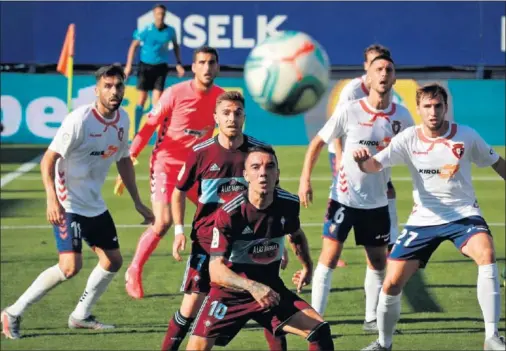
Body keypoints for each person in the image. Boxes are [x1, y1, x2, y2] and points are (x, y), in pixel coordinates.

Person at [0, 65, 154, 339]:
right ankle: (12, 312)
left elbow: (123, 160)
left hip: (93, 203)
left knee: (113, 261)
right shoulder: (79, 120)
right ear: (97, 90)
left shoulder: (123, 119)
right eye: (107, 86)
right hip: (67, 202)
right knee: (70, 266)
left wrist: (137, 202)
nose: (114, 91)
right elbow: (49, 159)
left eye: (118, 86)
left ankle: (81, 315)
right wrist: (53, 201)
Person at [355, 83, 506, 351]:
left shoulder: (467, 136)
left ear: (446, 108)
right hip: (423, 220)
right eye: (427, 106)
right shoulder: (408, 139)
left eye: (438, 106)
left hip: (464, 215)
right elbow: (374, 165)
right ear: (419, 109)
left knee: (487, 254)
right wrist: (361, 162)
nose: (433, 111)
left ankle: (492, 337)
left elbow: (497, 162)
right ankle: (383, 343)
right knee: (391, 283)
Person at [161, 91, 287, 351]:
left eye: (237, 113)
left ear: (244, 117)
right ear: (216, 117)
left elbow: (272, 198)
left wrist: (278, 245)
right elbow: (178, 191)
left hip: (247, 244)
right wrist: (179, 232)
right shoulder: (201, 152)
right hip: (207, 244)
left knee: (268, 306)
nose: (232, 118)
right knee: (190, 308)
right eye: (226, 113)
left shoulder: (257, 153)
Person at [298, 55, 414, 331]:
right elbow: (317, 142)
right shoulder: (350, 110)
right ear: (369, 77)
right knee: (329, 256)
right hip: (343, 198)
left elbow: (415, 153)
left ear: (394, 78)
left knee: (377, 261)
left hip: (377, 203)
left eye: (389, 69)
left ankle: (371, 318)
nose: (384, 74)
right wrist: (305, 179)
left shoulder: (402, 116)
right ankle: (316, 318)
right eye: (379, 69)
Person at [186, 145, 335, 351]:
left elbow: (296, 234)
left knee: (319, 331)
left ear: (277, 174)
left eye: (270, 166)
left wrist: (307, 266)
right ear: (246, 175)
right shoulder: (230, 213)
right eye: (256, 167)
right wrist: (252, 287)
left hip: (271, 289)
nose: (263, 173)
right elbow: (216, 271)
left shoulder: (289, 204)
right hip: (229, 294)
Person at [115, 46, 224, 300]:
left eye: (212, 63)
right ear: (193, 66)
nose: (207, 67)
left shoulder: (221, 97)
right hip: (166, 164)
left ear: (217, 67)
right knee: (162, 221)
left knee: (220, 218)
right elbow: (149, 125)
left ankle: (218, 275)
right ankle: (134, 270)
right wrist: (130, 157)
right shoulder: (174, 93)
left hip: (197, 169)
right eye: (202, 62)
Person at [328, 44, 401, 254]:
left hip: (373, 149)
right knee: (342, 195)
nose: (379, 70)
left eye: (383, 64)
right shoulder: (352, 90)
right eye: (372, 63)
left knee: (388, 188)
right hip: (343, 147)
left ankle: (391, 239)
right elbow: (337, 126)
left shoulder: (387, 86)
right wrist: (341, 158)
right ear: (365, 66)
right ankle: (334, 247)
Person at [124, 3, 185, 134]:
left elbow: (175, 46)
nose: (160, 16)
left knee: (157, 102)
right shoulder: (146, 30)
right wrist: (128, 65)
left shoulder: (170, 31)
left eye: (162, 14)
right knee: (142, 99)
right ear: (154, 15)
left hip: (161, 68)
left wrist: (179, 63)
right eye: (158, 14)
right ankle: (136, 131)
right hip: (145, 66)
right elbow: (133, 46)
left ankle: (158, 133)